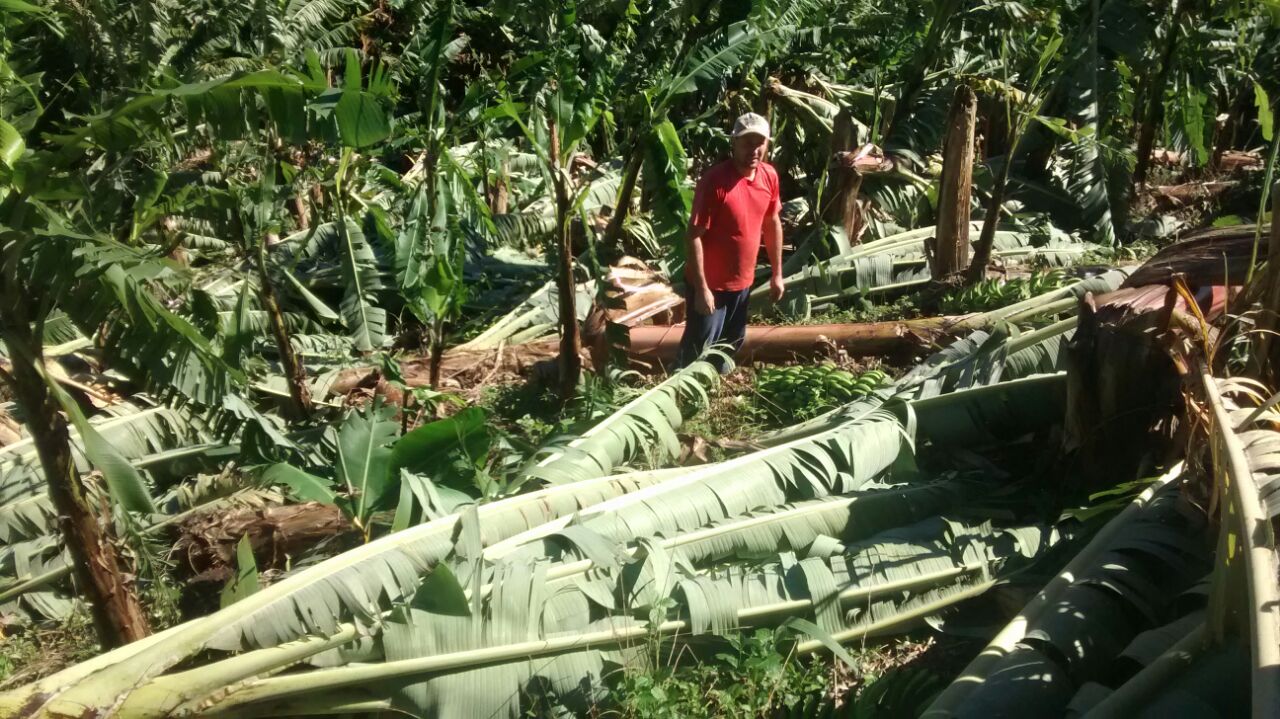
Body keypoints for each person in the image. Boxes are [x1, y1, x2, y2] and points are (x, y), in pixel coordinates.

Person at [676, 112, 785, 372]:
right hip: (711, 287)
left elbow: (772, 223)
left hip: (743, 283)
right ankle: (678, 395)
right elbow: (694, 236)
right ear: (734, 142)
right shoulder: (715, 182)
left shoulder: (769, 176)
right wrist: (702, 289)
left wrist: (777, 274)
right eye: (747, 142)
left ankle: (714, 389)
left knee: (731, 343)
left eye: (760, 142)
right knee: (697, 347)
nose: (754, 149)